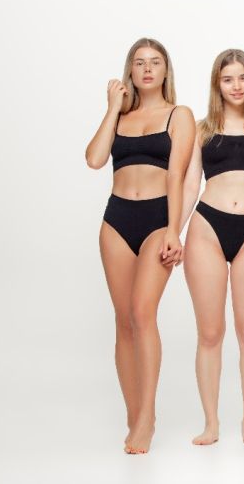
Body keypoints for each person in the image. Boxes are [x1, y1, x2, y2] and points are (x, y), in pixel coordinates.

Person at [85, 38, 195, 454]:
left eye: (155, 62)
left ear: (166, 70)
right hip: (116, 220)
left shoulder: (179, 115)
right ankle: (133, 414)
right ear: (130, 71)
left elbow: (178, 177)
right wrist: (113, 107)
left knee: (142, 312)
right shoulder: (121, 116)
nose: (147, 69)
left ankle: (147, 416)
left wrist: (173, 230)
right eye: (139, 63)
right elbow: (95, 159)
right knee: (123, 320)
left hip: (155, 221)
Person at [180, 49, 244, 446]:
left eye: (242, 78)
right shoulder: (203, 129)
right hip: (207, 226)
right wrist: (175, 231)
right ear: (216, 84)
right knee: (210, 332)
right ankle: (211, 424)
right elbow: (190, 184)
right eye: (227, 79)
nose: (236, 86)